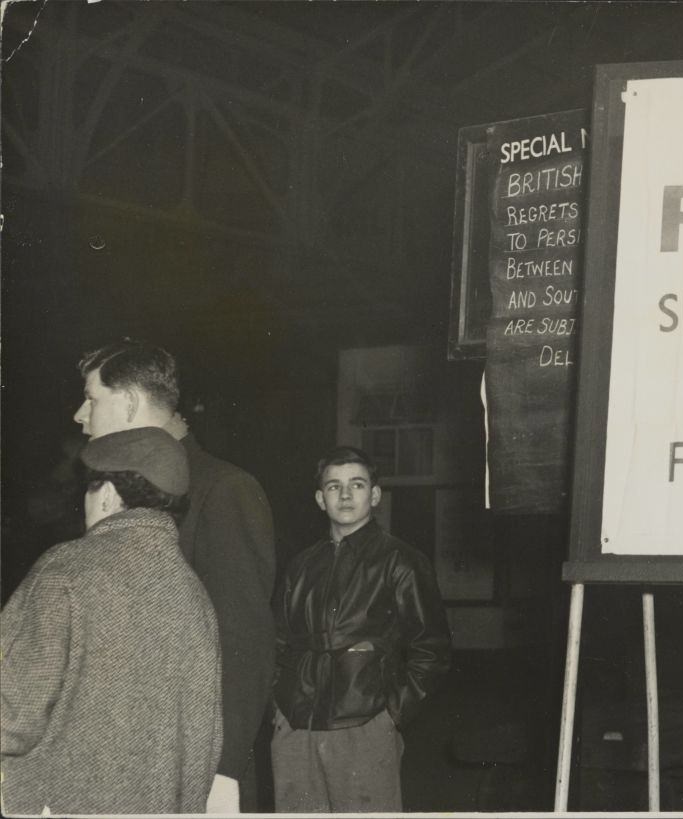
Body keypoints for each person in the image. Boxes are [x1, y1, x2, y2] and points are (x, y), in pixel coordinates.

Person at [72, 338, 276, 813]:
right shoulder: (113, 489)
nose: (80, 415)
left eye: (91, 398)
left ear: (128, 405)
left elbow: (244, 642)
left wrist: (222, 771)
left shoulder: (224, 489)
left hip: (191, 766)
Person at [1, 427, 222, 814]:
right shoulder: (196, 596)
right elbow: (205, 743)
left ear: (106, 495)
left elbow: (12, 713)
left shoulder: (66, 569)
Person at [272, 445, 451, 812]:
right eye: (334, 486)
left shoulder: (400, 561)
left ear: (375, 495)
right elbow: (276, 641)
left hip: (364, 725)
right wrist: (277, 706)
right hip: (296, 725)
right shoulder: (301, 566)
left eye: (356, 484)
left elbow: (431, 649)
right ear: (321, 499)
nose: (346, 494)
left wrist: (390, 715)